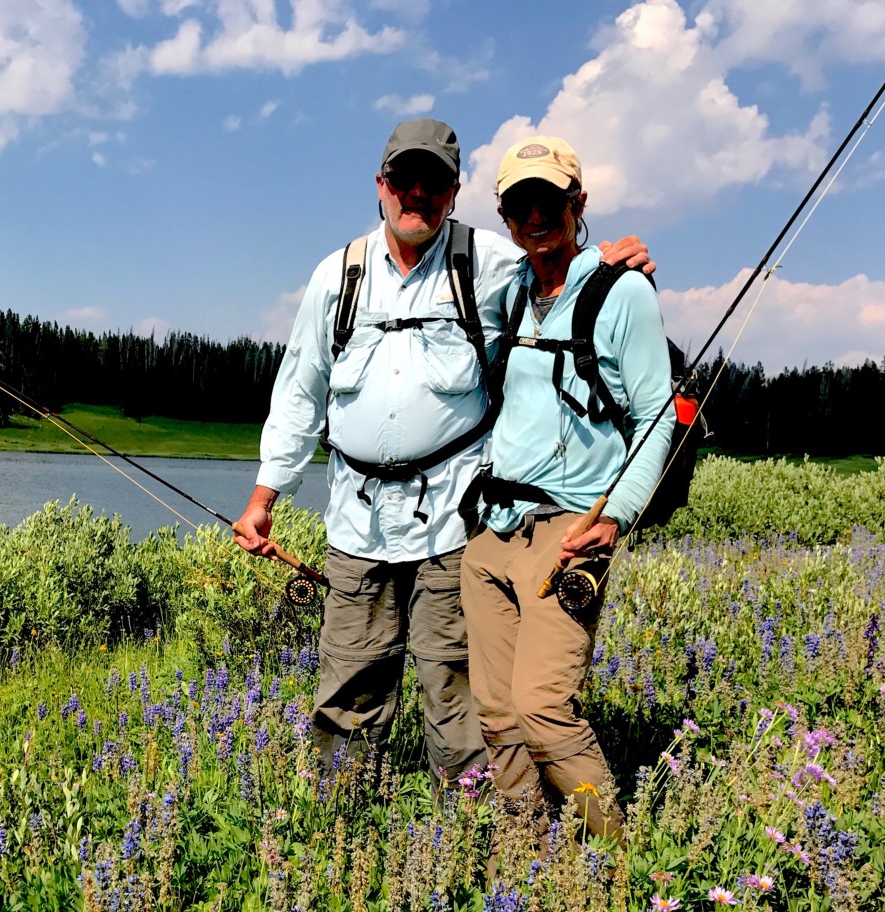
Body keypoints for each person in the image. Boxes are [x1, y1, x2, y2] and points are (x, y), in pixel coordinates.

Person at [232, 118, 651, 781]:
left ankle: (468, 838)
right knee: (347, 688)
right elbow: (298, 392)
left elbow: (561, 271)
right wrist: (265, 498)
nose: (416, 194)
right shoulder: (336, 277)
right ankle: (340, 832)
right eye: (404, 180)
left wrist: (615, 263)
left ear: (455, 193)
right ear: (380, 186)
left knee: (458, 695)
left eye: (434, 183)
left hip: (454, 524)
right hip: (356, 524)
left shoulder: (489, 264)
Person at [459, 135, 675, 838]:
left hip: (574, 529)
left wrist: (616, 518)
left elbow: (653, 419)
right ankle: (524, 859)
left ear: (577, 204)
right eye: (519, 204)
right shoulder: (509, 295)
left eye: (549, 200)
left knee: (543, 705)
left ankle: (613, 857)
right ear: (506, 215)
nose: (535, 215)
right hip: (495, 532)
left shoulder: (624, 292)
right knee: (495, 711)